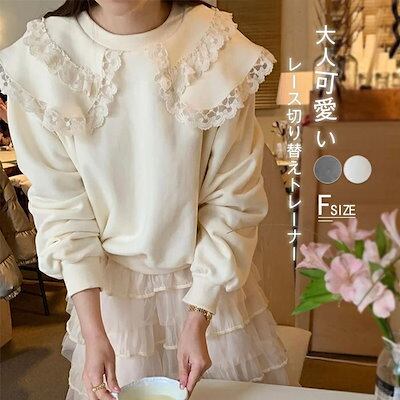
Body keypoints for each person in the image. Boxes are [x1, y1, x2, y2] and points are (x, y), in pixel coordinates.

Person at [0, 0, 289, 399]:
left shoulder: (216, 44)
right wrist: (94, 332)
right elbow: (62, 209)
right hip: (109, 300)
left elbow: (232, 199)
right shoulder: (42, 58)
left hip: (206, 292)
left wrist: (199, 315)